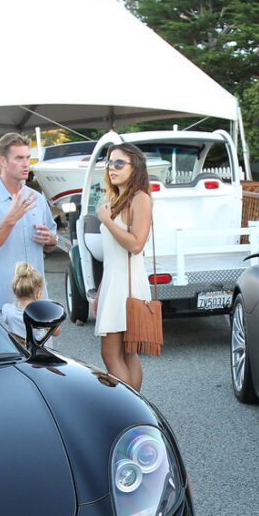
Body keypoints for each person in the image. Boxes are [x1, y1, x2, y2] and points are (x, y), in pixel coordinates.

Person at [0, 133, 58, 325]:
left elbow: (52, 241)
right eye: (19, 158)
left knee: (44, 355)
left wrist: (51, 240)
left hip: (38, 301)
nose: (26, 163)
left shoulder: (36, 197)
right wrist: (10, 219)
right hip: (4, 304)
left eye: (27, 157)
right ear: (1, 161)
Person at [94, 142, 154, 390]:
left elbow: (136, 244)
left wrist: (107, 222)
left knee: (113, 355)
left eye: (119, 163)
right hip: (114, 283)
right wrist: (100, 292)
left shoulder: (140, 199)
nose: (112, 168)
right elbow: (111, 256)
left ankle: (129, 409)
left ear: (135, 166)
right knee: (127, 354)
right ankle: (135, 409)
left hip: (126, 287)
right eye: (109, 163)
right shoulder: (119, 199)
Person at [0, 261, 59, 347]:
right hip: (43, 355)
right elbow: (56, 331)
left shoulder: (7, 310)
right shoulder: (41, 315)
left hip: (22, 353)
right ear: (38, 294)